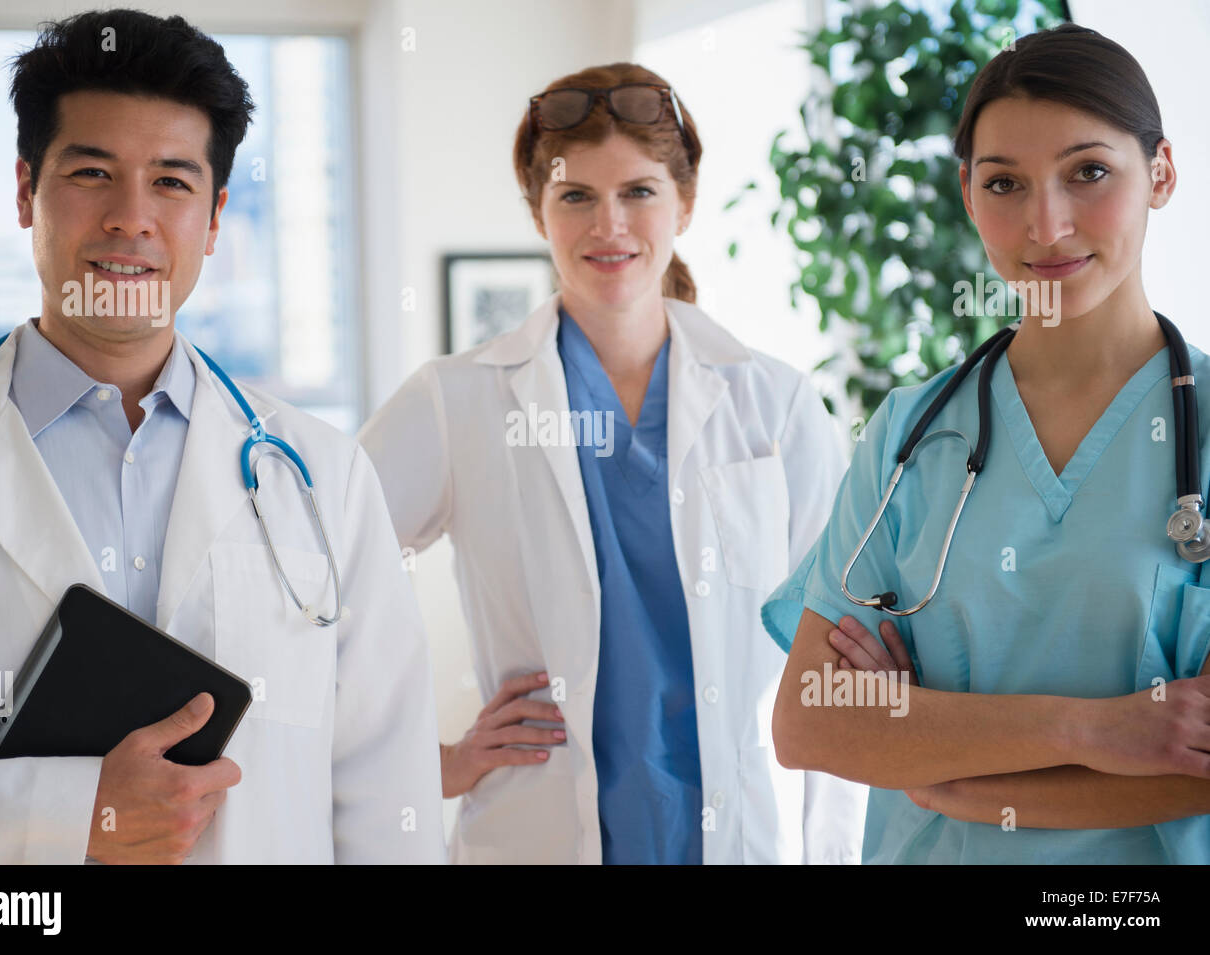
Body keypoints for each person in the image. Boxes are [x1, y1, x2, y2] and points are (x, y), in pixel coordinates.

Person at [0, 9, 445, 864]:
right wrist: (65, 813)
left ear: (216, 213)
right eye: (91, 172)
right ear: (24, 191)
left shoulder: (323, 477)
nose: (132, 218)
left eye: (171, 181)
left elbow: (388, 796)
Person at [360, 63, 866, 864]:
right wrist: (435, 764)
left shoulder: (774, 406)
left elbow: (842, 652)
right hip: (534, 837)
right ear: (538, 212)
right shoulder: (456, 402)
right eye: (575, 197)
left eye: (637, 192)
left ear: (685, 204)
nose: (610, 226)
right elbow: (311, 581)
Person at [764, 23, 1210, 864]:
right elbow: (809, 720)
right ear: (968, 194)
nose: (1046, 224)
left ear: (1161, 174)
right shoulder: (907, 432)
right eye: (1006, 183)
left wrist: (943, 766)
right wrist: (1104, 729)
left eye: (1089, 172)